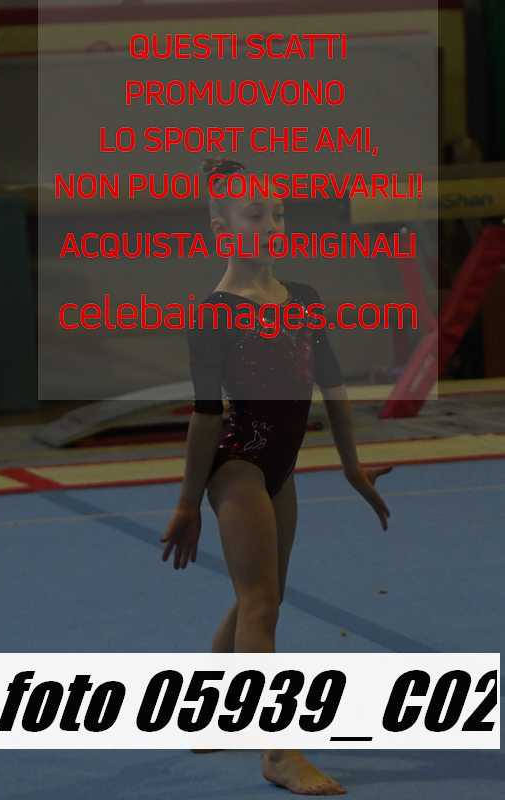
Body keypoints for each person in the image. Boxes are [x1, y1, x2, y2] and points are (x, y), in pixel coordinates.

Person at [161, 157, 392, 796]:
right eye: (255, 215)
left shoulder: (304, 299)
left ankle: (207, 707)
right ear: (222, 229)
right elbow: (206, 416)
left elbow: (334, 388)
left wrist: (350, 465)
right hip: (236, 463)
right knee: (261, 603)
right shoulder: (215, 313)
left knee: (260, 596)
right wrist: (187, 503)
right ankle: (279, 752)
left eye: (279, 214)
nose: (271, 225)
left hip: (281, 465)